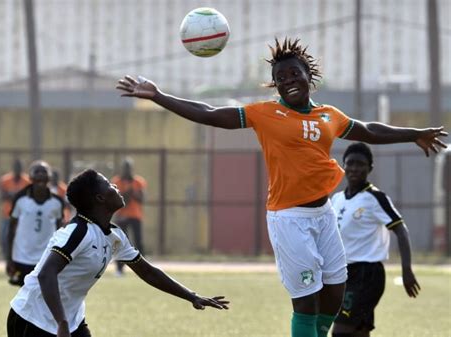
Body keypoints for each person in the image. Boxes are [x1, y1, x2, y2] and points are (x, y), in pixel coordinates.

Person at [116, 36, 447, 337]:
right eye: (281, 78)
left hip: (323, 215)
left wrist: (413, 133)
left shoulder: (329, 115)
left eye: (294, 74)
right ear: (275, 85)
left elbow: (369, 130)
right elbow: (210, 113)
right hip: (289, 218)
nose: (288, 81)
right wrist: (158, 96)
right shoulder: (265, 114)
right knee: (305, 303)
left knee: (335, 291)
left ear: (308, 77)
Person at [7, 169, 229, 337]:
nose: (115, 185)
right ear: (99, 198)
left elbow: (147, 272)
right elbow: (46, 274)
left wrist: (191, 296)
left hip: (70, 320)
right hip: (33, 318)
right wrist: (61, 322)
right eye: (108, 184)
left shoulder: (114, 235)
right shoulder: (77, 232)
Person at [331, 143, 420, 337]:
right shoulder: (337, 199)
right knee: (360, 331)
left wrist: (407, 270)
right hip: (344, 273)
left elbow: (401, 230)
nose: (354, 168)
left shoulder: (375, 198)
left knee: (341, 331)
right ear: (343, 166)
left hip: (367, 274)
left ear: (370, 168)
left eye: (360, 164)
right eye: (350, 163)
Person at [6, 160, 65, 286]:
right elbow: (11, 229)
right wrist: (9, 259)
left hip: (46, 258)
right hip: (22, 257)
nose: (40, 174)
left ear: (49, 177)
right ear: (30, 177)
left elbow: (61, 232)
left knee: (45, 293)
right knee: (25, 294)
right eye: (36, 171)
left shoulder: (57, 202)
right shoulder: (20, 199)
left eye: (44, 171)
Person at [111, 157, 147, 276]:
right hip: (121, 216)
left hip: (135, 215)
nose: (127, 170)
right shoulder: (116, 181)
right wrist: (127, 193)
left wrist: (134, 193)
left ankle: (143, 269)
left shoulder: (138, 181)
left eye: (129, 167)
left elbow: (142, 199)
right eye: (125, 168)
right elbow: (117, 200)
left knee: (138, 241)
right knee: (121, 242)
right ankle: (119, 268)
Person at [0, 158, 31, 260]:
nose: (18, 168)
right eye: (16, 166)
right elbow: (3, 196)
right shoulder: (5, 180)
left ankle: (20, 258)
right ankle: (7, 258)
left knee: (22, 238)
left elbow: (28, 196)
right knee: (5, 237)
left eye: (19, 166)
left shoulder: (27, 180)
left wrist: (13, 194)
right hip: (8, 214)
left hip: (23, 215)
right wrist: (17, 194)